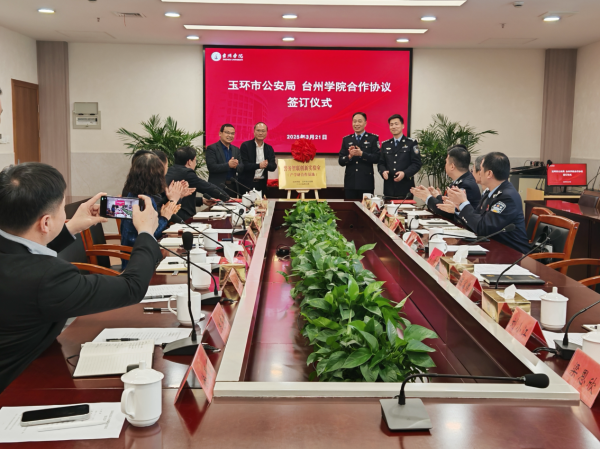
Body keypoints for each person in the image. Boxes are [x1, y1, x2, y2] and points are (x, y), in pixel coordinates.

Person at [0, 162, 161, 392]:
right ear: (46, 223)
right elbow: (132, 287)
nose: (65, 214)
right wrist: (146, 232)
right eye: (62, 209)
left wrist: (72, 227)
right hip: (17, 388)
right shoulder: (48, 278)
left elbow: (26, 256)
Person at [439, 152, 530, 253]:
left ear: (489, 173)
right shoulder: (490, 193)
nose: (478, 173)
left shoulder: (507, 197)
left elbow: (484, 228)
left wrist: (464, 203)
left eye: (481, 169)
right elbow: (477, 220)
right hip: (493, 248)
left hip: (512, 253)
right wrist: (459, 207)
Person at [120, 153, 179, 266]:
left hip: (133, 255)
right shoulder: (144, 200)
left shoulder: (132, 195)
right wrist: (165, 217)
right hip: (138, 261)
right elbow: (150, 234)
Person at [411, 145, 481, 220]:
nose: (445, 165)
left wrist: (427, 197)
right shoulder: (461, 180)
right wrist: (437, 196)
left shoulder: (466, 185)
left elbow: (447, 211)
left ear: (452, 166)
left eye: (446, 162)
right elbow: (448, 204)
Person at [166, 146, 228, 221]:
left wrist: (201, 200)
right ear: (189, 162)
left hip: (169, 214)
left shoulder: (170, 170)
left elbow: (181, 197)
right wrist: (226, 197)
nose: (195, 163)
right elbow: (207, 187)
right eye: (195, 161)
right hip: (180, 217)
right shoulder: (187, 173)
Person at [377, 114, 422, 200]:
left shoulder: (411, 143)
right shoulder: (385, 144)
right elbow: (381, 163)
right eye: (391, 124)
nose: (394, 126)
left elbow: (417, 163)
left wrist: (404, 173)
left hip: (405, 188)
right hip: (389, 189)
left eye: (396, 124)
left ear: (402, 126)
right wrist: (383, 171)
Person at [338, 112, 380, 200]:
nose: (356, 124)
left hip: (366, 183)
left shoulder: (373, 138)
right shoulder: (346, 139)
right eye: (354, 121)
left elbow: (377, 158)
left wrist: (362, 154)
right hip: (350, 183)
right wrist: (349, 156)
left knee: (366, 208)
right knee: (349, 207)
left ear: (365, 123)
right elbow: (341, 161)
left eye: (359, 121)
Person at [206, 124, 244, 196]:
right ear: (220, 133)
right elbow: (211, 167)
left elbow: (241, 167)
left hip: (232, 187)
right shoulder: (212, 148)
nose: (230, 135)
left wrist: (236, 166)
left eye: (232, 133)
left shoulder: (236, 149)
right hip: (217, 186)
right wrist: (228, 165)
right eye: (227, 132)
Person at [239, 122, 277, 194]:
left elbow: (273, 166)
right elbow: (244, 165)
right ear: (254, 131)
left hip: (261, 184)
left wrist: (266, 165)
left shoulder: (269, 148)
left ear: (266, 133)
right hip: (247, 184)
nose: (260, 133)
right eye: (258, 130)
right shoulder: (245, 145)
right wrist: (259, 166)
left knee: (261, 201)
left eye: (263, 131)